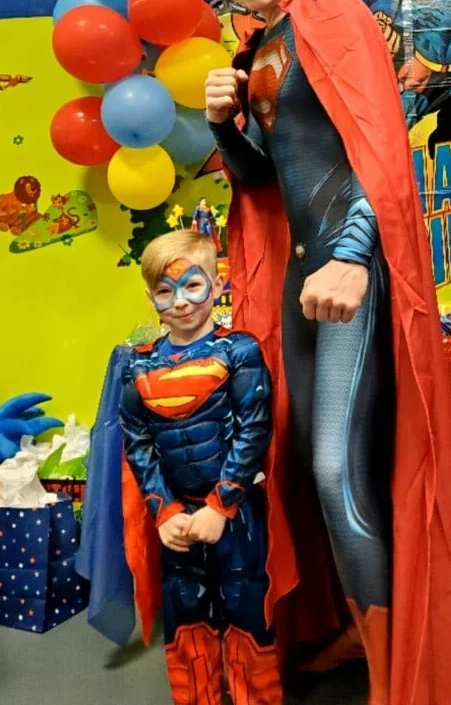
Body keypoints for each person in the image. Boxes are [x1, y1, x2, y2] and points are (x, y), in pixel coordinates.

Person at [197, 0, 451, 705]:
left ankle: (399, 679)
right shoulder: (261, 47)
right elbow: (261, 182)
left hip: (349, 280)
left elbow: (377, 150)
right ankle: (357, 638)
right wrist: (224, 127)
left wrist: (355, 255)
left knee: (336, 472)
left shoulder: (334, 17)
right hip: (300, 284)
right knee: (294, 468)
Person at [119, 226, 282, 705]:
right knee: (185, 605)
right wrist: (164, 511)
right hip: (177, 515)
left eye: (192, 284)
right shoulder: (139, 366)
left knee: (243, 599)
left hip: (236, 512)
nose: (181, 301)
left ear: (218, 281)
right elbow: (139, 443)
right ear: (151, 297)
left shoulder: (240, 352)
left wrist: (222, 505)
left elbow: (255, 430)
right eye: (166, 291)